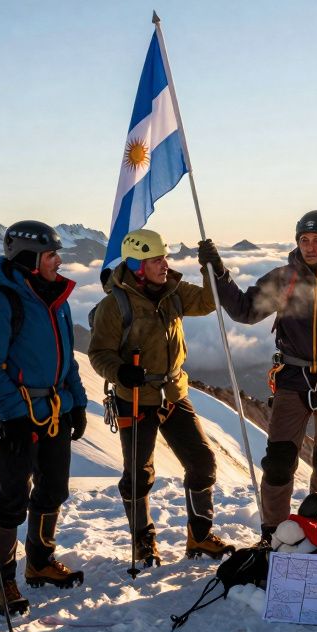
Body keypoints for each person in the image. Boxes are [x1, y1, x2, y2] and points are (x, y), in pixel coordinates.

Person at [198, 210, 317, 543]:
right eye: (304, 240)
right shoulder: (284, 279)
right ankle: (273, 535)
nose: (309, 247)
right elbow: (244, 310)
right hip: (292, 379)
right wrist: (219, 274)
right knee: (280, 460)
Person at [88, 228, 234, 566]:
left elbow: (211, 301)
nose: (165, 264)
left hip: (173, 393)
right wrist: (121, 372)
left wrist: (215, 270)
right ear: (138, 265)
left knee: (202, 462)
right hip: (135, 396)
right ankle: (143, 542)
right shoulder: (115, 305)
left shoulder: (174, 292)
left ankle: (199, 537)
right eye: (157, 259)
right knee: (139, 473)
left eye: (164, 257)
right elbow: (99, 353)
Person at [0, 221, 90, 616]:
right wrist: (14, 413)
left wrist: (79, 403)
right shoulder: (0, 302)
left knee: (53, 490)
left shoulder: (58, 300)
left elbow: (66, 358)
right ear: (29, 259)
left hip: (55, 411)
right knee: (10, 501)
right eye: (51, 254)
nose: (59, 261)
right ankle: (1, 583)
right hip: (17, 416)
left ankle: (39, 562)